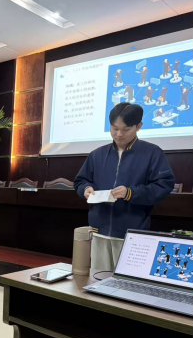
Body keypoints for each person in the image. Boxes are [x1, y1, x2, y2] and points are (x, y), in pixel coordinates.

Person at [74, 103, 175, 271]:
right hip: (99, 231)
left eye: (126, 129)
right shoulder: (97, 154)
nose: (119, 134)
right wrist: (85, 189)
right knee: (98, 279)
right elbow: (80, 181)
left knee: (127, 281)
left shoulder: (152, 153)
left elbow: (163, 185)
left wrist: (131, 193)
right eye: (114, 128)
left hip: (132, 233)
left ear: (138, 126)